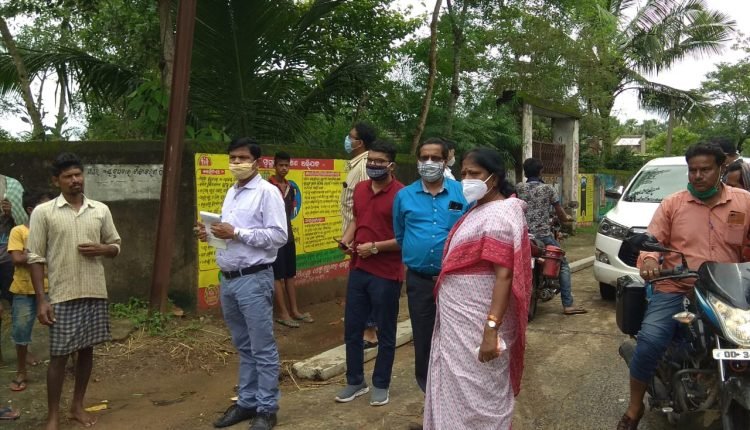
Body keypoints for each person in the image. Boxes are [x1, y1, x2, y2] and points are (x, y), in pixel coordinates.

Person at [617, 143, 750, 430]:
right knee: (651, 340)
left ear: (721, 169)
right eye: (693, 170)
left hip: (728, 292)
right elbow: (652, 240)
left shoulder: (744, 202)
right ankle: (635, 407)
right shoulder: (673, 204)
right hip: (678, 287)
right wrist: (649, 260)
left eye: (705, 169)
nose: (698, 176)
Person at [423, 148, 532, 429]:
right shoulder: (478, 210)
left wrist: (491, 329)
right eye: (463, 174)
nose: (467, 179)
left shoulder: (501, 213)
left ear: (493, 178)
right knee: (455, 383)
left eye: (475, 173)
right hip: (458, 322)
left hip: (480, 322)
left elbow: (504, 276)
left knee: (481, 386)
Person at [27, 153, 122, 430]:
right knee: (58, 356)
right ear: (56, 181)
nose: (75, 180)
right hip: (61, 294)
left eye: (78, 174)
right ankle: (53, 416)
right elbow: (35, 257)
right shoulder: (44, 212)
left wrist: (103, 249)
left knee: (87, 351)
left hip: (93, 291)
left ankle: (77, 406)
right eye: (68, 176)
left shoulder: (100, 210)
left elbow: (116, 245)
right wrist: (42, 300)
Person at [199, 138, 287, 430]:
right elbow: (228, 234)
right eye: (232, 158)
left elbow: (278, 236)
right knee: (244, 345)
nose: (236, 163)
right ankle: (247, 402)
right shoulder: (232, 192)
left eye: (242, 158)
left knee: (262, 346)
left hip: (254, 278)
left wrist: (236, 232)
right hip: (229, 278)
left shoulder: (267, 192)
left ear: (257, 162)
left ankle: (267, 408)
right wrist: (210, 234)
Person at [392, 137, 467, 395]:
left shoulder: (462, 193)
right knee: (423, 335)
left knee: (457, 335)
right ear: (418, 161)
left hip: (455, 280)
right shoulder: (404, 196)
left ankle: (455, 387)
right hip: (420, 280)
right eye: (424, 157)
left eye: (435, 158)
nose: (429, 162)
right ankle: (428, 389)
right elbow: (400, 234)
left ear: (445, 161)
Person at [335, 140, 404, 407]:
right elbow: (357, 219)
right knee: (352, 328)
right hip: (358, 269)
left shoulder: (402, 195)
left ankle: (380, 383)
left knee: (385, 331)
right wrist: (346, 239)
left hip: (386, 273)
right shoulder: (361, 189)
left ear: (391, 165)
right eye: (371, 160)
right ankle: (355, 381)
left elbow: (405, 237)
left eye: (380, 161)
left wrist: (375, 247)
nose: (374, 165)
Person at [516, 158, 586, 315]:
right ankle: (568, 305)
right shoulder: (548, 189)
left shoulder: (519, 187)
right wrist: (567, 218)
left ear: (525, 172)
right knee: (563, 264)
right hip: (543, 236)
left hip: (522, 236)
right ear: (540, 171)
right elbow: (560, 213)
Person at [8, 190, 54, 392]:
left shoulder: (54, 229)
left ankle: (73, 363)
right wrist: (41, 253)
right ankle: (21, 371)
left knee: (61, 327)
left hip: (52, 287)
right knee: (21, 330)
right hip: (23, 289)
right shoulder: (18, 231)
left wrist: (32, 253)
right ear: (30, 210)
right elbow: (17, 258)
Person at [339, 121, 379, 347]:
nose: (347, 140)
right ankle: (366, 327)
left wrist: (358, 238)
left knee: (367, 282)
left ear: (360, 142)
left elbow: (366, 206)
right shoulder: (355, 165)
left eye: (350, 136)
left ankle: (370, 331)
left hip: (361, 236)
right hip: (353, 235)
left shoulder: (364, 166)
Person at [268, 151, 312, 328]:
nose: (284, 168)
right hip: (274, 238)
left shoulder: (290, 188)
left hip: (289, 237)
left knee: (290, 274)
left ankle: (294, 311)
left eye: (286, 165)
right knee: (277, 275)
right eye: (281, 165)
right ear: (274, 166)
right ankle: (283, 313)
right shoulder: (268, 187)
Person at [0, 173, 26, 346]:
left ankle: (22, 347)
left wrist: (11, 212)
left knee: (17, 304)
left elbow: (25, 223)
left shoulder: (11, 185)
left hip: (8, 260)